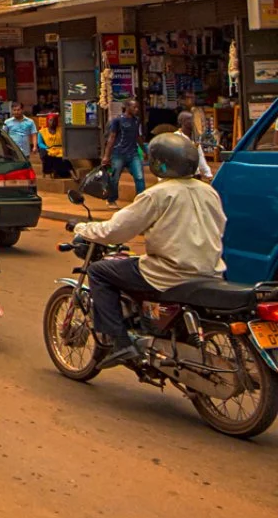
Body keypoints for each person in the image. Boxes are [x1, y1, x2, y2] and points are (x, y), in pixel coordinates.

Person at [74, 132, 227, 369]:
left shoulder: (157, 194)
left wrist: (84, 228)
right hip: (210, 272)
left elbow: (115, 231)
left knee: (99, 271)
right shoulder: (209, 191)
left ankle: (120, 342)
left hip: (168, 274)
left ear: (158, 163)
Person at [102, 99, 147, 207]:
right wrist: (106, 156)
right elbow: (112, 138)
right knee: (114, 178)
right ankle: (112, 199)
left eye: (137, 107)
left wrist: (144, 150)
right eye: (134, 107)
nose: (136, 110)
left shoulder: (137, 121)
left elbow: (138, 136)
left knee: (139, 177)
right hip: (118, 153)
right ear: (127, 107)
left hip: (133, 153)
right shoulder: (117, 121)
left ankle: (141, 201)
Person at [177, 111, 214, 180]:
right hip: (182, 177)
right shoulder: (176, 137)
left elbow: (200, 157)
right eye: (188, 119)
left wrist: (208, 174)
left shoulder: (194, 138)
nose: (191, 121)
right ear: (181, 121)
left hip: (195, 176)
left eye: (192, 119)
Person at [40, 110, 72, 178]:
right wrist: (47, 148)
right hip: (48, 150)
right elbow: (40, 143)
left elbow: (65, 140)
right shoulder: (42, 131)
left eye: (54, 120)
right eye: (50, 120)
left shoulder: (61, 130)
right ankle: (59, 172)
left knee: (63, 158)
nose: (52, 122)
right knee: (53, 158)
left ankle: (68, 173)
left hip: (60, 150)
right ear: (47, 121)